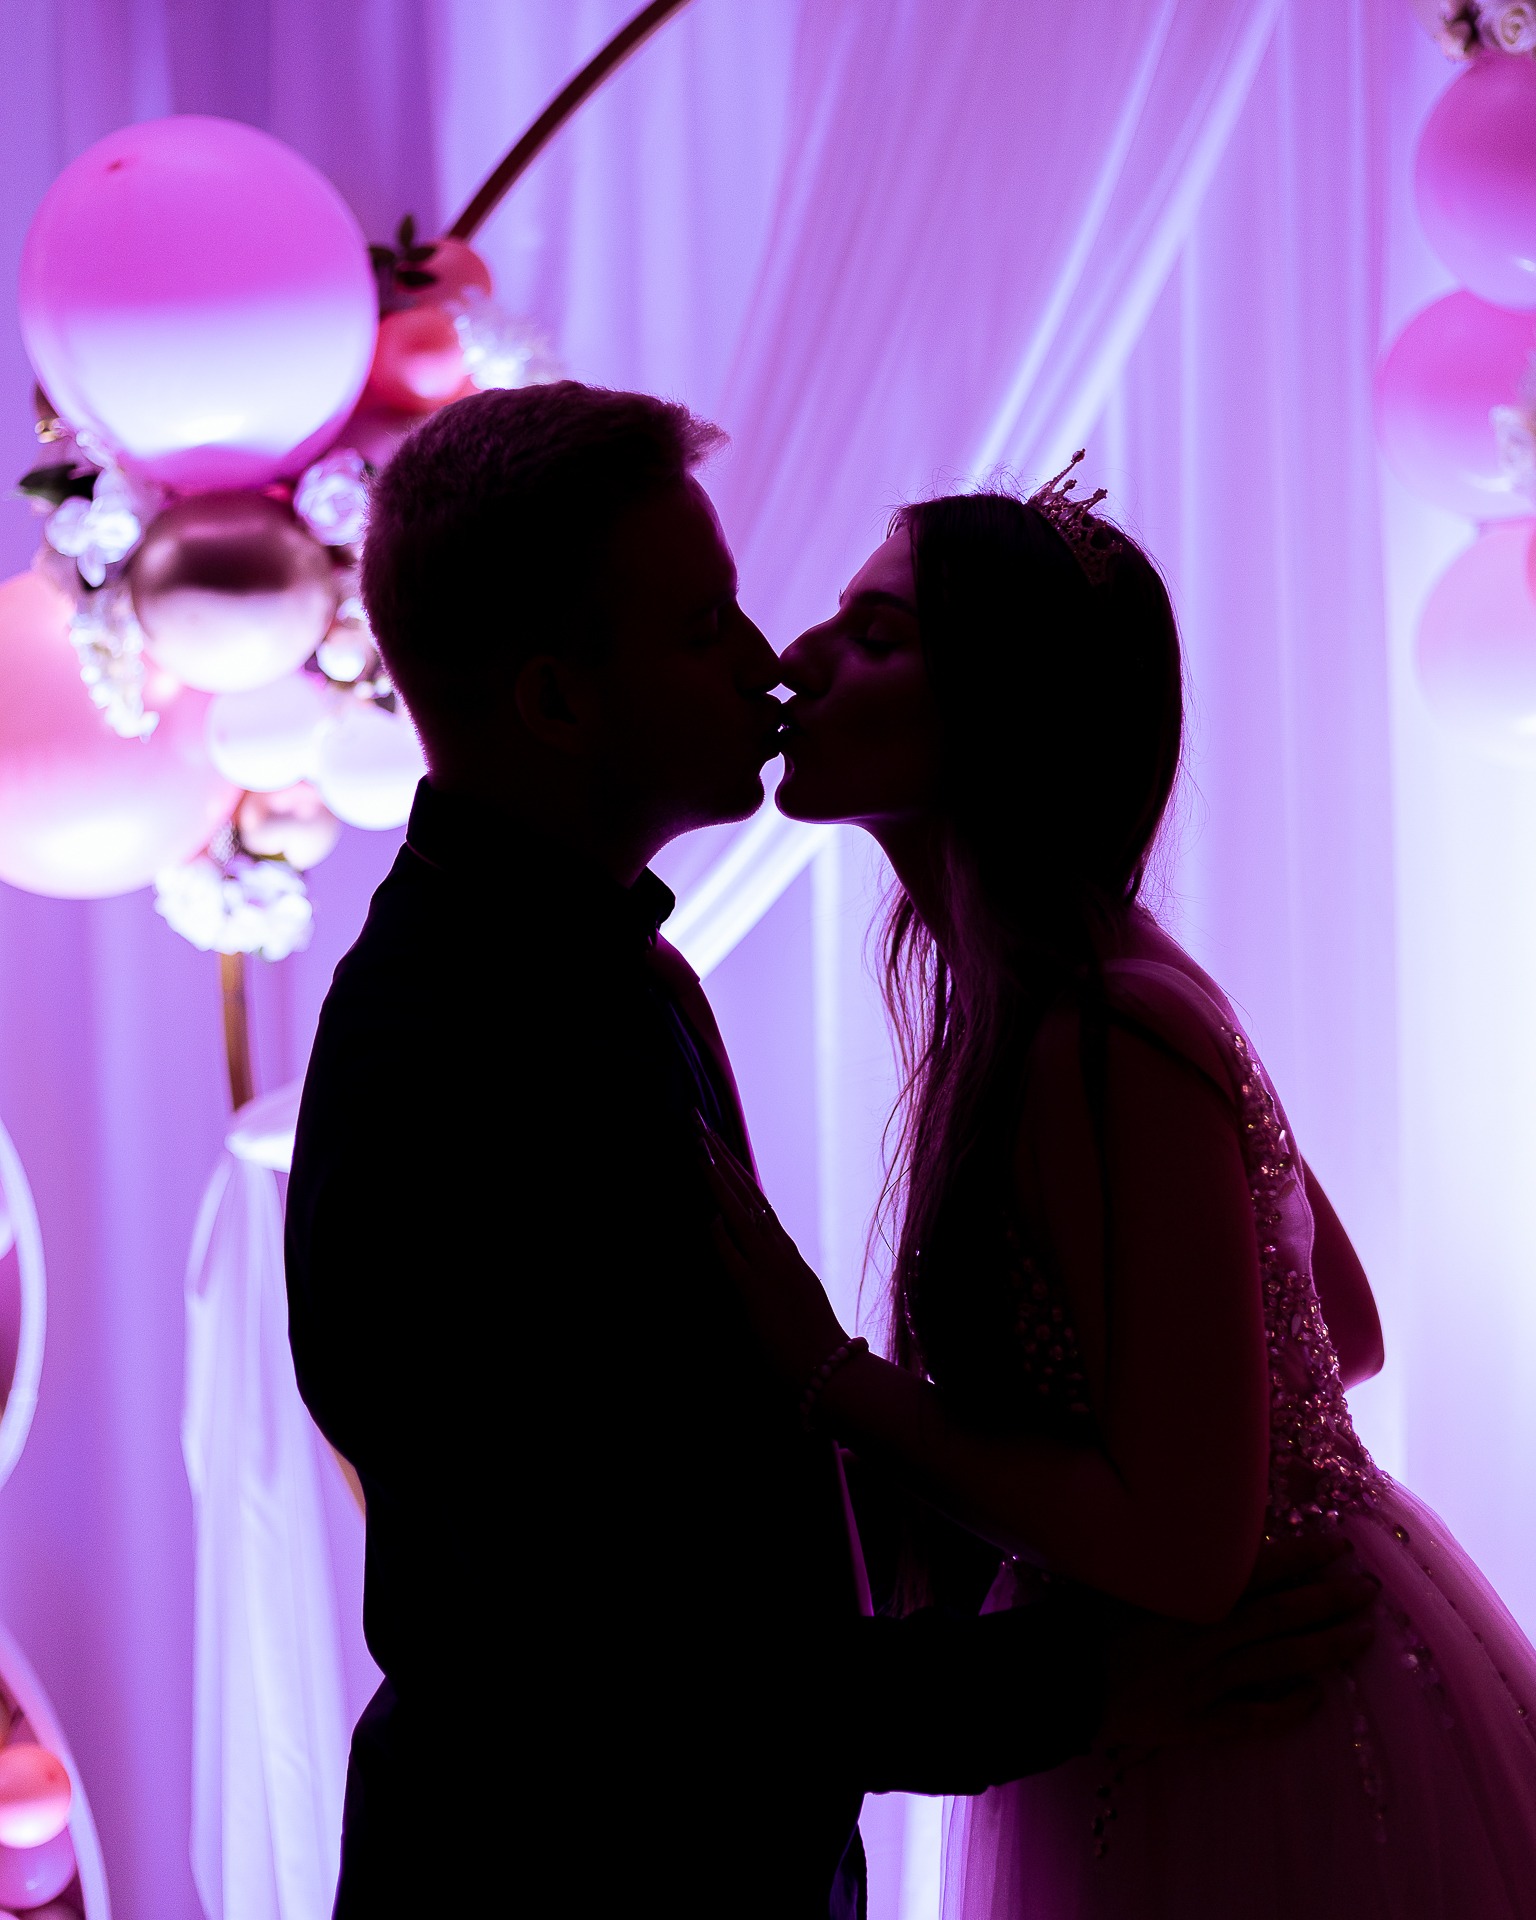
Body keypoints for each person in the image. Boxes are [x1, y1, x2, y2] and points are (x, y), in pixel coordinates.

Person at [286, 387, 1376, 1919]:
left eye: (858, 630)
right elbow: (603, 1649)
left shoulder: (625, 984)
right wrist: (1077, 1678)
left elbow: (718, 1516)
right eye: (705, 625)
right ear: (555, 703)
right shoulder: (465, 1057)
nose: (770, 660)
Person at [702, 463, 1536, 1918]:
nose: (799, 660)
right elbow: (1330, 1323)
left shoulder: (1100, 1026)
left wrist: (831, 1374)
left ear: (1003, 715)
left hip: (1261, 1709)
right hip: (1242, 1666)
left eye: (881, 637)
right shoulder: (1083, 981)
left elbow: (1189, 1548)